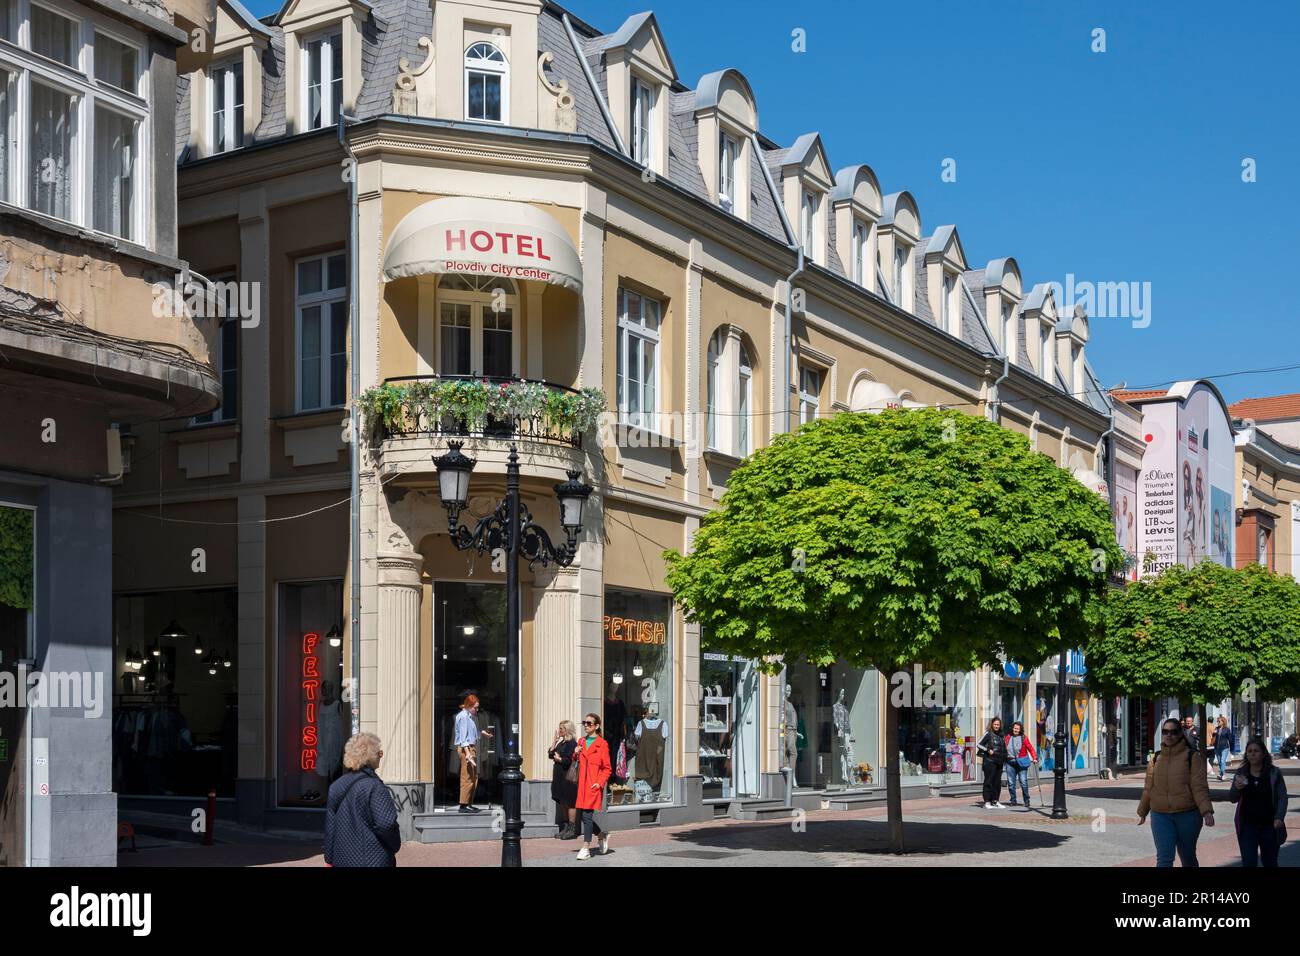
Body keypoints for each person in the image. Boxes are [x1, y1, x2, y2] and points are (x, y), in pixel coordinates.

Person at [1137, 719, 1215, 867]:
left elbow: (1199, 787)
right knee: (1164, 858)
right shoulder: (1156, 758)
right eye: (1165, 732)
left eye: (1173, 732)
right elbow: (1149, 787)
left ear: (1180, 734)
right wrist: (1142, 811)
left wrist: (1206, 812)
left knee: (1187, 856)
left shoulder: (1192, 757)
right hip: (1160, 815)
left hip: (1188, 814)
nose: (1169, 735)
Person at [323, 732, 401, 867]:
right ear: (370, 756)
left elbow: (331, 827)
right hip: (373, 860)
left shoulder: (336, 786)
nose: (381, 756)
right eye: (379, 753)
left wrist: (329, 859)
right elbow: (386, 824)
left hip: (342, 860)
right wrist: (394, 846)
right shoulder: (374, 786)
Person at [1228, 736, 1289, 867]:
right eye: (1249, 751)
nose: (1252, 754)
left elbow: (1282, 797)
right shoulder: (1242, 772)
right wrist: (1237, 789)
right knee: (1249, 862)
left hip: (1270, 826)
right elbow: (1232, 798)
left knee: (1270, 862)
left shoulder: (1273, 773)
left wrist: (1279, 817)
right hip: (1247, 826)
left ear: (1263, 754)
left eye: (1256, 751)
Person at [573, 713, 611, 860]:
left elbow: (607, 768)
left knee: (587, 816)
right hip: (581, 785)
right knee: (583, 817)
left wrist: (599, 783)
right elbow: (576, 762)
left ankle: (586, 847)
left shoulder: (602, 744)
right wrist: (575, 753)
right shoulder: (581, 741)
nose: (586, 726)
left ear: (596, 726)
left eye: (589, 723)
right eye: (585, 723)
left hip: (593, 785)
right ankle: (602, 835)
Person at [454, 694, 493, 813]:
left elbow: (472, 731)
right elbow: (463, 737)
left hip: (471, 748)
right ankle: (463, 804)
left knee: (474, 777)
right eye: (475, 707)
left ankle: (469, 803)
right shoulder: (464, 717)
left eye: (477, 708)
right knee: (467, 777)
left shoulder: (470, 716)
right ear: (468, 705)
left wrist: (483, 733)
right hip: (467, 749)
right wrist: (468, 754)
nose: (476, 710)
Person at [547, 719, 579, 839]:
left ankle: (572, 829)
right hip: (559, 777)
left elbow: (571, 760)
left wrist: (560, 759)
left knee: (570, 802)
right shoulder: (561, 742)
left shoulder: (572, 743)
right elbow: (551, 755)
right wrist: (554, 742)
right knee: (562, 801)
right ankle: (565, 827)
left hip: (568, 777)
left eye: (561, 728)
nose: (559, 730)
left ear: (567, 730)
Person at [1003, 720, 1038, 809]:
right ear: (1012, 728)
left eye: (1018, 729)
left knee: (1023, 782)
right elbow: (1003, 748)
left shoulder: (1023, 737)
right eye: (1015, 728)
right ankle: (1013, 800)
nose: (1016, 730)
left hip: (1021, 762)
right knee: (1011, 783)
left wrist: (1034, 758)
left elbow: (1030, 748)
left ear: (1020, 729)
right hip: (1010, 762)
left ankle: (1026, 800)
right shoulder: (1007, 737)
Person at [976, 717, 1008, 809]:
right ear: (992, 725)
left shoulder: (1002, 735)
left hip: (999, 761)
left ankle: (995, 801)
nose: (996, 726)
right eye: (995, 724)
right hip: (989, 761)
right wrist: (988, 750)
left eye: (998, 724)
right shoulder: (988, 734)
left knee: (997, 782)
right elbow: (979, 744)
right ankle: (987, 802)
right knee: (988, 781)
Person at [1211, 715, 1233, 781]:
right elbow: (1214, 737)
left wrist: (1231, 749)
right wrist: (1214, 734)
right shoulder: (1216, 728)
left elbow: (1230, 739)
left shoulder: (1227, 729)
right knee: (1220, 762)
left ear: (1223, 722)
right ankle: (1221, 774)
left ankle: (1223, 774)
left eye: (1219, 721)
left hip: (1224, 747)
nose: (1218, 722)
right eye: (1217, 721)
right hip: (1217, 747)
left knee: (1223, 761)